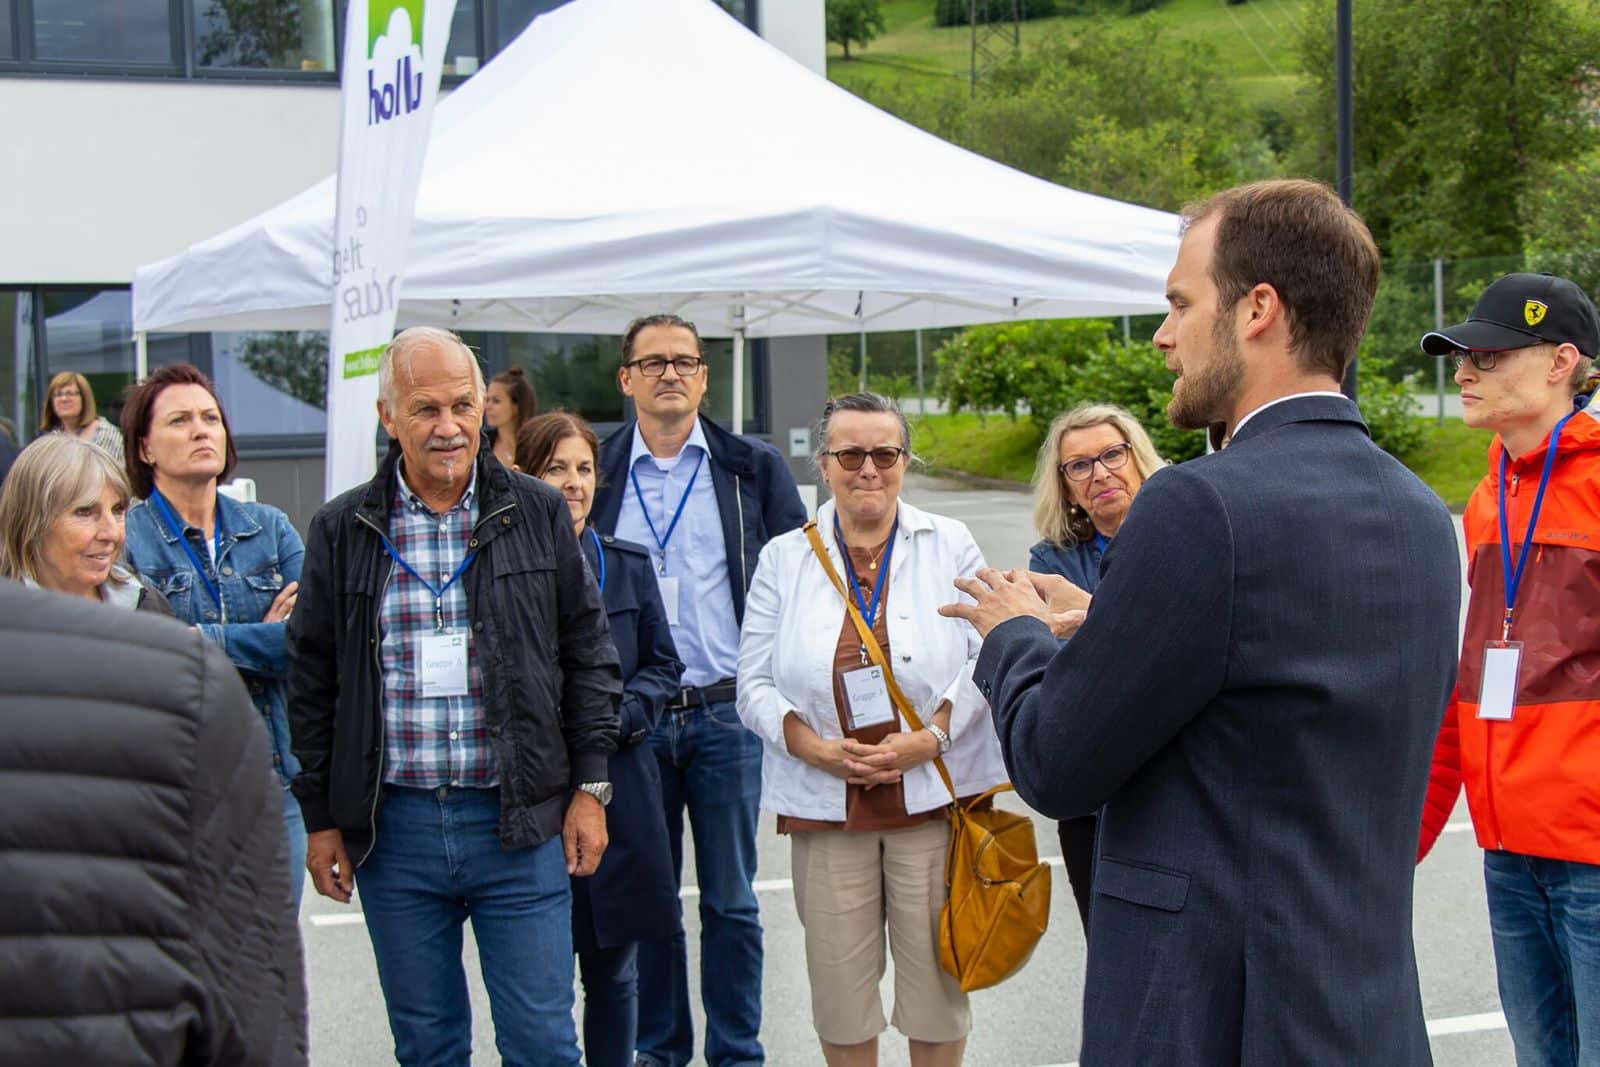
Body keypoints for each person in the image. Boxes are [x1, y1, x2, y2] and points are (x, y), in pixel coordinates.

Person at [941, 179, 1461, 1064]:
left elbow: (1058, 763)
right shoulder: (1421, 513)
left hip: (1213, 1023)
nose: (1164, 333)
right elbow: (1269, 695)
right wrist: (1108, 626)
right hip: (1365, 1019)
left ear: (1258, 309)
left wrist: (1014, 633)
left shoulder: (1198, 505)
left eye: (1181, 303)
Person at [287, 326, 622, 1067]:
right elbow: (310, 682)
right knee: (428, 1046)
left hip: (519, 818)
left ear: (485, 411)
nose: (448, 427)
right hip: (393, 827)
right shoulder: (342, 527)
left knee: (542, 1042)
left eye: (463, 406)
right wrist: (319, 816)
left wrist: (591, 788)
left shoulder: (535, 512)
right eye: (426, 409)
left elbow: (589, 656)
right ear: (388, 418)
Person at [737, 393, 1007, 1067]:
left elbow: (986, 654)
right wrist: (814, 748)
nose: (868, 469)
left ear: (904, 461)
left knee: (938, 991)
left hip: (932, 797)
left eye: (884, 453)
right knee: (840, 993)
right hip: (829, 807)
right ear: (822, 465)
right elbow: (752, 684)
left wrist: (933, 736)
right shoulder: (783, 558)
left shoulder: (950, 542)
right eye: (850, 454)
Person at [590, 313, 807, 1067]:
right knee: (652, 900)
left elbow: (795, 573)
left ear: (705, 377)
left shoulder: (751, 465)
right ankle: (661, 1050)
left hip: (724, 713)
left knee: (732, 902)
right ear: (627, 379)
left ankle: (737, 1051)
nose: (670, 373)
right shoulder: (600, 468)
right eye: (652, 363)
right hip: (634, 721)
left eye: (684, 361)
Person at [0, 582, 308, 1066]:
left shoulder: (160, 640)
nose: (108, 531)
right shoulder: (180, 674)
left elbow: (300, 637)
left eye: (115, 511)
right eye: (84, 513)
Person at [1414, 272, 1600, 1067]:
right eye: (1461, 357)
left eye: (1488, 355)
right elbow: (1475, 671)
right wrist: (1410, 833)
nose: (1464, 373)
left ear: (1562, 361)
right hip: (1508, 853)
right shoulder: (1491, 489)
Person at [516, 411, 684, 1067]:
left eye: (583, 467)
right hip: (539, 795)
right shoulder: (502, 570)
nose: (574, 482)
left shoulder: (629, 565)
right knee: (542, 980)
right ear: (526, 477)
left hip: (623, 793)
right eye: (556, 467)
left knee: (615, 972)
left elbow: (663, 665)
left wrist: (614, 719)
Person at [120, 363, 307, 908]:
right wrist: (261, 639)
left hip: (272, 786)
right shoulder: (125, 536)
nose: (202, 430)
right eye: (180, 420)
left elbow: (316, 638)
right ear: (145, 449)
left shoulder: (268, 527)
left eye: (210, 418)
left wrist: (199, 640)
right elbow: (142, 660)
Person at [1024, 403, 1166, 931]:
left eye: (1111, 454)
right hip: (1094, 785)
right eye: (1079, 465)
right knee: (1107, 944)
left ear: (1137, 456)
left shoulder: (1181, 528)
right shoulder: (1053, 559)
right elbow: (1069, 668)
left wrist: (1089, 617)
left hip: (1172, 778)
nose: (1100, 473)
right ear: (1064, 484)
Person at [0, 434, 171, 614]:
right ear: (30, 522)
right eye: (85, 512)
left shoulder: (148, 607)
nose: (112, 533)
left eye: (117, 510)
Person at [40, 370, 124, 461]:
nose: (63, 399)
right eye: (58, 395)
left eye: (70, 394)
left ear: (84, 398)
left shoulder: (105, 434)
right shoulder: (51, 438)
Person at [485, 364, 537, 470]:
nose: (488, 407)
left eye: (496, 401)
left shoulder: (537, 444)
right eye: (487, 400)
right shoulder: (483, 443)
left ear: (516, 406)